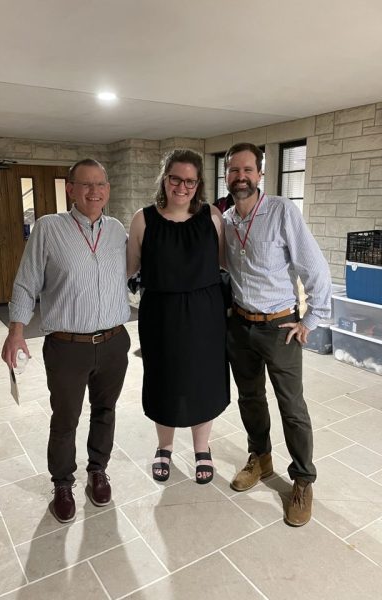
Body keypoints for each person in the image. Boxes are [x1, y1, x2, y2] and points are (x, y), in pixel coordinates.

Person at [1, 158, 131, 523]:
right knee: (66, 418)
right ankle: (62, 482)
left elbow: (132, 274)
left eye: (100, 184)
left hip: (114, 341)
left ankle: (98, 470)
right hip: (66, 345)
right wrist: (16, 332)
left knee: (105, 411)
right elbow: (27, 282)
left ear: (108, 189)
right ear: (70, 189)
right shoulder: (48, 228)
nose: (94, 191)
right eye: (85, 184)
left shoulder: (118, 229)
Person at [222, 142, 331, 526]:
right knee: (250, 398)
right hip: (239, 325)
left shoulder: (282, 211)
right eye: (234, 170)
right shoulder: (227, 220)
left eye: (247, 170)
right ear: (226, 175)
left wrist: (311, 320)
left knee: (292, 406)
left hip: (280, 327)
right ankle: (261, 459)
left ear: (260, 174)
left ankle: (302, 479)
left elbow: (315, 270)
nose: (240, 177)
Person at [127, 149, 230, 484]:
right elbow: (129, 269)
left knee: (204, 379)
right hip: (161, 315)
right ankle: (165, 447)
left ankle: (203, 449)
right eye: (176, 178)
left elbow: (223, 263)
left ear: (198, 183)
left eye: (190, 180)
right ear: (165, 178)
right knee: (165, 380)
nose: (182, 186)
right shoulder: (143, 220)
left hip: (206, 314)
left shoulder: (213, 216)